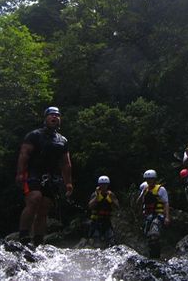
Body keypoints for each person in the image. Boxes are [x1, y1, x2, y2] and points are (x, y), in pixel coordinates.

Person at [16, 106, 73, 246]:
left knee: (44, 208)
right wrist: (20, 173)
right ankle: (23, 235)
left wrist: (68, 183)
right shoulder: (34, 135)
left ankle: (38, 240)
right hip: (33, 173)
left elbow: (66, 163)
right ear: (45, 118)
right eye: (51, 115)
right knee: (34, 199)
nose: (55, 117)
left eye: (57, 115)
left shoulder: (62, 140)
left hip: (52, 176)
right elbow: (24, 155)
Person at [138, 169, 170, 258]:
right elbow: (138, 203)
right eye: (147, 179)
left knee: (154, 235)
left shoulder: (161, 189)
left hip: (158, 215)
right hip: (148, 216)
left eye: (151, 179)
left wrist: (167, 217)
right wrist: (143, 193)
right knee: (148, 236)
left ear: (154, 179)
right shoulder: (144, 189)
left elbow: (166, 203)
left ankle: (156, 256)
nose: (149, 181)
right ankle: (151, 255)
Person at [87, 175, 119, 247]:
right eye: (102, 185)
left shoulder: (111, 195)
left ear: (107, 185)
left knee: (111, 241)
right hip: (96, 221)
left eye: (105, 184)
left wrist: (112, 199)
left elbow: (117, 206)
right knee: (96, 241)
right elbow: (90, 206)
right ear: (99, 185)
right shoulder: (95, 194)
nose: (103, 186)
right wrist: (97, 197)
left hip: (106, 221)